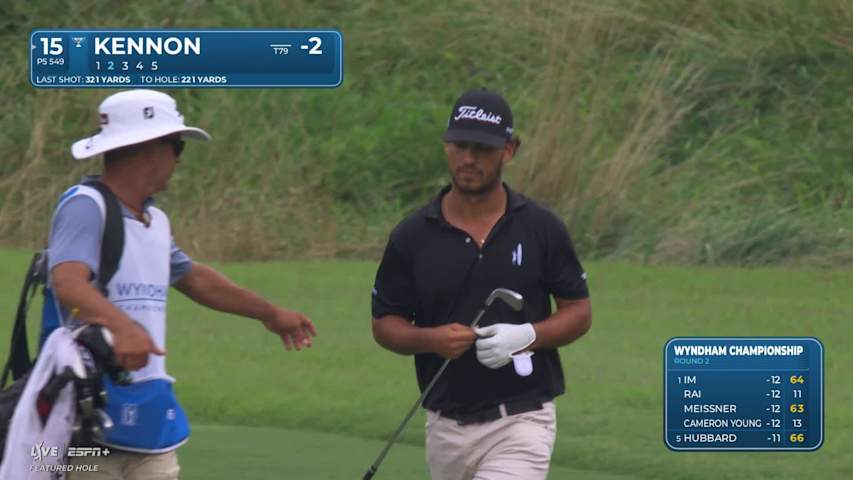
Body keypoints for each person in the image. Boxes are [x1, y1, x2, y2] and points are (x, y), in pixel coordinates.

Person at [45, 89, 317, 479]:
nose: (178, 161)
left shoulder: (155, 221)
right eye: (177, 147)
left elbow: (193, 278)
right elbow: (67, 283)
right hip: (81, 424)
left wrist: (270, 314)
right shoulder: (84, 205)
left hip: (146, 417)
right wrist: (124, 329)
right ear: (151, 150)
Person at [371, 89, 592, 480]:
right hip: (445, 426)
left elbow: (579, 311)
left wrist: (527, 335)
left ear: (509, 149)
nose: (468, 159)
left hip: (521, 420)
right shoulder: (412, 236)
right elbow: (385, 324)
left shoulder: (541, 228)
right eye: (459, 146)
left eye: (482, 149)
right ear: (446, 146)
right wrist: (432, 340)